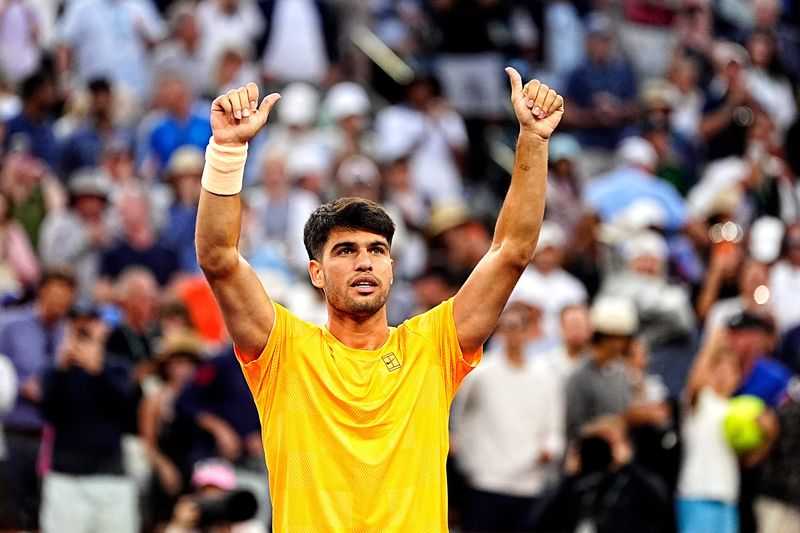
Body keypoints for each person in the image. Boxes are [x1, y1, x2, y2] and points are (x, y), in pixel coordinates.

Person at [195, 71, 564, 530]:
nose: (364, 262)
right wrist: (227, 151)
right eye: (345, 251)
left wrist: (533, 138)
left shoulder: (431, 349)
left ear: (392, 267)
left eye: (377, 250)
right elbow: (219, 257)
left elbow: (511, 251)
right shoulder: (285, 354)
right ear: (315, 272)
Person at [39, 304, 139, 533]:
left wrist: (98, 369)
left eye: (89, 324)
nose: (83, 331)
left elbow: (127, 411)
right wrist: (62, 369)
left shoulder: (118, 368)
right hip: (66, 478)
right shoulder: (56, 372)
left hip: (111, 477)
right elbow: (48, 413)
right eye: (77, 325)